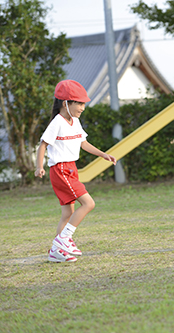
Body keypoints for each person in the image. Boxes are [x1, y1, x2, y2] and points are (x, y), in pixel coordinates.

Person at [35, 80, 117, 262]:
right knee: (88, 204)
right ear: (66, 103)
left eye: (83, 103)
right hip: (61, 170)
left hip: (70, 168)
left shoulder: (75, 121)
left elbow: (83, 143)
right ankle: (63, 239)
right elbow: (43, 144)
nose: (83, 107)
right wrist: (39, 166)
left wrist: (103, 154)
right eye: (79, 103)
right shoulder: (57, 122)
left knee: (67, 213)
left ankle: (56, 253)